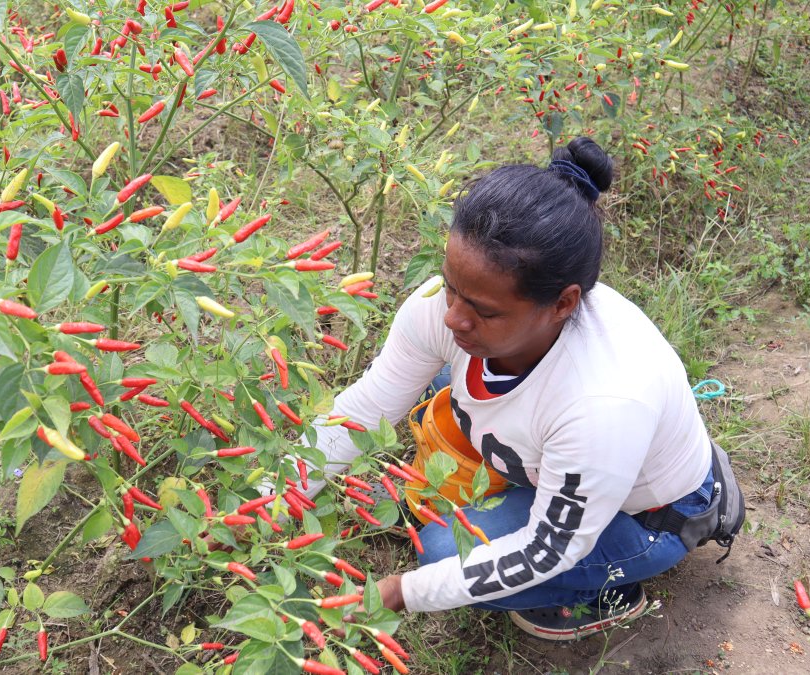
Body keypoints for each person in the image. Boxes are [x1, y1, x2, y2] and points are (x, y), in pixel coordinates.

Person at [303, 136, 723, 640]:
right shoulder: (455, 306)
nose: (453, 316)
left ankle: (600, 595)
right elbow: (368, 406)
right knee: (441, 375)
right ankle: (532, 474)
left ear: (564, 303)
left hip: (649, 515)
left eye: (482, 309)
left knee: (441, 552)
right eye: (451, 287)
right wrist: (275, 494)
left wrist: (403, 592)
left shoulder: (602, 400)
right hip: (577, 447)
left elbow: (546, 549)